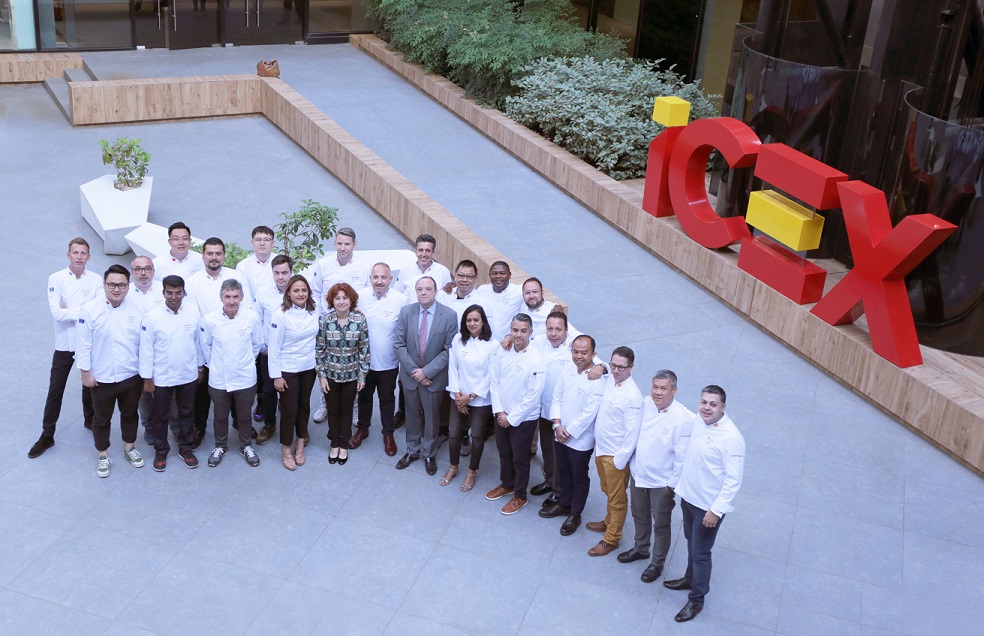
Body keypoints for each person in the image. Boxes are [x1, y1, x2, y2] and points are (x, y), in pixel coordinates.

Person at [663, 385, 745, 623]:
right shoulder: (699, 420)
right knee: (691, 541)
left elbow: (733, 481)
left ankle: (696, 599)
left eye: (713, 404)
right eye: (704, 402)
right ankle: (689, 578)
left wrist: (715, 511)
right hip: (689, 498)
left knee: (701, 553)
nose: (707, 408)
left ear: (723, 407)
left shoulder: (732, 439)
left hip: (707, 509)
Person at [614, 370, 695, 583]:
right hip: (639, 475)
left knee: (661, 525)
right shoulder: (647, 403)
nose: (658, 392)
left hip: (661, 483)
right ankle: (641, 548)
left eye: (663, 388)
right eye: (655, 387)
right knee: (639, 515)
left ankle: (657, 563)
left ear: (674, 390)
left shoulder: (683, 419)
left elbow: (681, 458)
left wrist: (671, 486)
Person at [29, 238, 103, 459]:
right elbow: (57, 313)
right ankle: (47, 435)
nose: (79, 256)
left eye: (83, 253)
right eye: (75, 252)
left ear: (89, 256)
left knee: (90, 385)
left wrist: (69, 310)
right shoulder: (56, 278)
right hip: (64, 344)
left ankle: (90, 420)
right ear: (68, 255)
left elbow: (98, 312)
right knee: (55, 390)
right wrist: (83, 311)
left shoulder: (96, 280)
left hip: (88, 343)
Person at [76, 265, 145, 478]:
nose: (116, 289)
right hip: (102, 377)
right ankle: (103, 454)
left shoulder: (137, 307)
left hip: (131, 375)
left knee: (130, 413)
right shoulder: (90, 309)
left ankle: (129, 447)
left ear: (128, 286)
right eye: (112, 285)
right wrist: (85, 374)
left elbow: (144, 343)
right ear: (104, 285)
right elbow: (83, 345)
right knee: (101, 418)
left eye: (121, 285)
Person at [186, 237, 253, 449]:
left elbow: (247, 308)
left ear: (224, 255)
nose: (214, 257)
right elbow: (194, 316)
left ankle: (240, 422)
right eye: (210, 253)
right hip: (207, 342)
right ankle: (199, 427)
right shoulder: (193, 281)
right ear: (203, 256)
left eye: (218, 253)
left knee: (237, 392)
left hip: (238, 340)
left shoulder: (236, 276)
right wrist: (206, 356)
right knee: (205, 392)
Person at [538, 334, 606, 536]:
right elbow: (557, 397)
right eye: (575, 351)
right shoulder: (568, 369)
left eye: (584, 352)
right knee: (563, 471)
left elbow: (589, 413)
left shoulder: (597, 380)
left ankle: (575, 514)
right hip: (560, 431)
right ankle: (564, 503)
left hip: (580, 439)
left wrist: (568, 431)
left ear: (593, 354)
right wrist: (557, 424)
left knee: (579, 477)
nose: (579, 356)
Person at [393, 276, 457, 475]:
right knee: (411, 415)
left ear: (435, 291)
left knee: (431, 418)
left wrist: (426, 372)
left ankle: (429, 453)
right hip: (410, 376)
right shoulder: (406, 312)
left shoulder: (449, 315)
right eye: (420, 289)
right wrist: (415, 372)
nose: (423, 292)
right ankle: (412, 451)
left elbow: (449, 350)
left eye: (428, 289)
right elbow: (399, 345)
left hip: (433, 378)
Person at [139, 275, 204, 472]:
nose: (174, 297)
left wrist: (200, 367)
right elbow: (146, 350)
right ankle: (161, 450)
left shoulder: (193, 312)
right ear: (163, 293)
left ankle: (186, 448)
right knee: (160, 415)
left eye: (178, 293)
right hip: (161, 375)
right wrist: (147, 378)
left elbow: (198, 342)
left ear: (184, 293)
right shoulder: (152, 317)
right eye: (170, 293)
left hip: (187, 373)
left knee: (187, 412)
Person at [585, 346, 643, 557]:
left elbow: (632, 433)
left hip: (615, 456)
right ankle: (608, 521)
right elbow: (599, 363)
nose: (616, 370)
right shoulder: (610, 377)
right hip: (601, 450)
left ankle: (611, 539)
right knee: (607, 491)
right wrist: (602, 366)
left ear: (631, 368)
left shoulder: (633, 396)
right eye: (613, 365)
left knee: (617, 500)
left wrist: (620, 460)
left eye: (621, 367)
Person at [200, 279, 264, 468]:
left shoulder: (252, 317)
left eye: (235, 296)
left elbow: (256, 345)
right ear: (221, 297)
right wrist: (217, 365)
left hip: (245, 376)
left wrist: (244, 363)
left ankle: (246, 446)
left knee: (244, 416)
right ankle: (220, 446)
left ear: (242, 297)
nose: (231, 301)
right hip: (219, 377)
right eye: (227, 296)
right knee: (220, 415)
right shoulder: (210, 320)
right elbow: (206, 347)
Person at [310, 228, 372, 423]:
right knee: (327, 362)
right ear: (335, 244)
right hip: (328, 324)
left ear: (354, 245)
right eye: (339, 243)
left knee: (352, 365)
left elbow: (368, 295)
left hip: (353, 324)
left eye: (347, 244)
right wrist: (320, 316)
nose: (343, 248)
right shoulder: (323, 265)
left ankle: (353, 407)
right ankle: (324, 404)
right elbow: (315, 291)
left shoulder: (364, 267)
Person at [486, 313, 546, 515]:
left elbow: (532, 396)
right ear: (510, 330)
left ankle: (520, 496)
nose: (518, 334)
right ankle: (507, 484)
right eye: (515, 330)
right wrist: (499, 411)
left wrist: (511, 419)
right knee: (504, 452)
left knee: (520, 459)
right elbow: (494, 381)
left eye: (523, 331)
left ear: (531, 332)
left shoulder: (536, 359)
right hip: (501, 413)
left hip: (523, 418)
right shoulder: (503, 351)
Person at [354, 263, 409, 456]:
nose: (379, 281)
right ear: (370, 279)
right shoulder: (359, 296)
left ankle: (388, 434)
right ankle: (362, 429)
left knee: (387, 398)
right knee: (364, 397)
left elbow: (405, 331)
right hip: (363, 362)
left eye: (383, 277)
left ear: (390, 280)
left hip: (388, 362)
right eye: (375, 277)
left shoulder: (401, 300)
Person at [443, 304, 498, 491]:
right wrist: (458, 395)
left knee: (476, 436)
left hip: (480, 399)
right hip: (458, 396)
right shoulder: (458, 339)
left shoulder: (492, 345)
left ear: (483, 322)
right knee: (453, 433)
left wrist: (471, 397)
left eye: (476, 320)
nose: (472, 323)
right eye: (468, 320)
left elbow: (491, 374)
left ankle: (472, 471)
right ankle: (453, 467)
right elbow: (453, 367)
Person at [315, 282, 370, 465]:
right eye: (337, 298)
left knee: (346, 410)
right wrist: (322, 376)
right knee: (333, 410)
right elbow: (320, 349)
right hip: (330, 375)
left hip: (352, 375)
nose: (341, 301)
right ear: (332, 301)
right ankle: (334, 442)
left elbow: (364, 349)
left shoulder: (359, 320)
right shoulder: (325, 320)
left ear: (351, 299)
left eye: (345, 298)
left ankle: (344, 444)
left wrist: (362, 376)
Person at [268, 274, 319, 470]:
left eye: (304, 290)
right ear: (288, 293)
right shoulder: (280, 314)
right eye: (296, 290)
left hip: (308, 368)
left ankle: (300, 442)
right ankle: (286, 448)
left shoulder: (314, 310)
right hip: (288, 369)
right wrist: (276, 376)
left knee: (304, 406)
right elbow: (274, 347)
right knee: (289, 410)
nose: (300, 294)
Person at [237, 225, 279, 425]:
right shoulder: (243, 266)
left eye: (267, 239)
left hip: (274, 319)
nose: (262, 243)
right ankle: (261, 401)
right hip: (251, 318)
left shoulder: (279, 261)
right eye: (258, 239)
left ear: (273, 242)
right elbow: (243, 296)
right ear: (252, 242)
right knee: (258, 366)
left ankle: (280, 398)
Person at [254, 254, 294, 446]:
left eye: (284, 273)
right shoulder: (263, 292)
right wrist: (263, 347)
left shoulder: (299, 291)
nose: (280, 277)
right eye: (276, 273)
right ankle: (270, 425)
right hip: (269, 352)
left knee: (291, 391)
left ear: (291, 272)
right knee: (269, 389)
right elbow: (257, 320)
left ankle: (295, 426)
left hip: (291, 351)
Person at [129, 255, 165, 445]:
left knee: (167, 391)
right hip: (136, 349)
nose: (143, 273)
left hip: (162, 348)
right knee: (144, 392)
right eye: (138, 269)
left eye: (147, 269)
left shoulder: (163, 289)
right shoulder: (125, 292)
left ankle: (173, 426)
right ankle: (149, 426)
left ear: (153, 271)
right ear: (132, 272)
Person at [476, 260, 523, 341]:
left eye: (502, 273)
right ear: (489, 275)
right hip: (485, 342)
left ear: (509, 275)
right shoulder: (482, 290)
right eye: (494, 273)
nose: (498, 276)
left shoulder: (519, 291)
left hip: (508, 343)